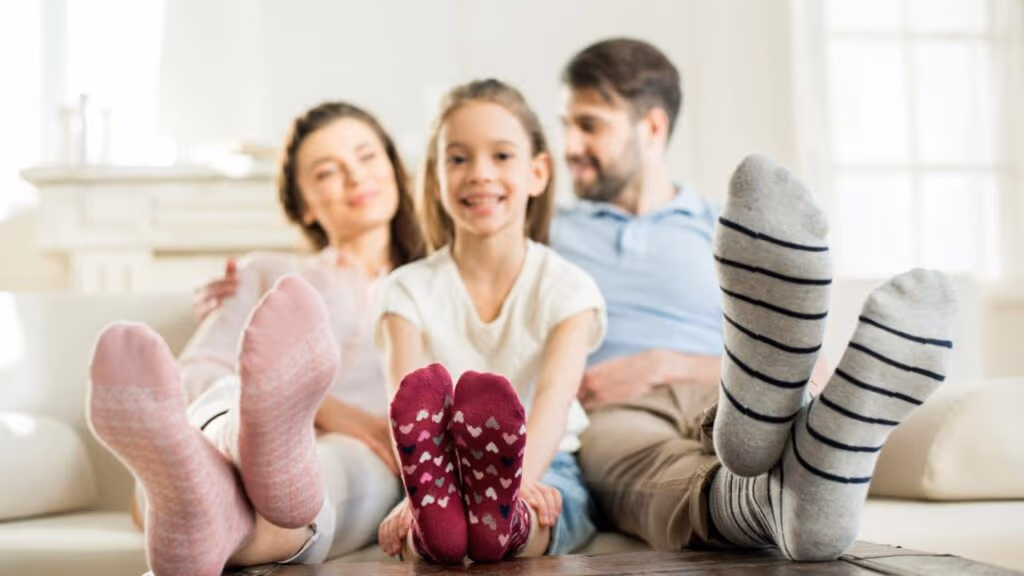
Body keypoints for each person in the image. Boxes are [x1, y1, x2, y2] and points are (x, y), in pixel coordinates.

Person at [558, 39, 956, 561]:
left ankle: (760, 435)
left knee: (766, 396)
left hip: (729, 384)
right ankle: (790, 492)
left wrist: (667, 365)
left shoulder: (731, 228)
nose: (568, 145)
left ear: (651, 127)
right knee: (646, 467)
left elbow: (808, 364)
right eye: (565, 125)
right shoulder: (546, 232)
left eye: (589, 125)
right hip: (614, 408)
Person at [87, 101, 426, 575]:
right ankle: (235, 442)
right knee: (214, 414)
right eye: (328, 171)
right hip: (221, 436)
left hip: (362, 457)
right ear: (302, 204)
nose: (355, 177)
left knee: (332, 466)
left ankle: (198, 512)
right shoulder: (268, 275)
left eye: (367, 156)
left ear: (394, 167)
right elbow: (196, 376)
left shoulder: (438, 287)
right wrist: (321, 409)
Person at [374, 78, 606, 564]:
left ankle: (505, 522)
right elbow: (406, 405)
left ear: (537, 173)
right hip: (436, 477)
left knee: (545, 508)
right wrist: (416, 493)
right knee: (421, 522)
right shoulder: (406, 289)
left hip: (544, 463)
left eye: (501, 156)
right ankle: (436, 527)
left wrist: (520, 483)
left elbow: (554, 399)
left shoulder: (569, 288)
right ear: (435, 179)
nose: (480, 174)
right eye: (458, 159)